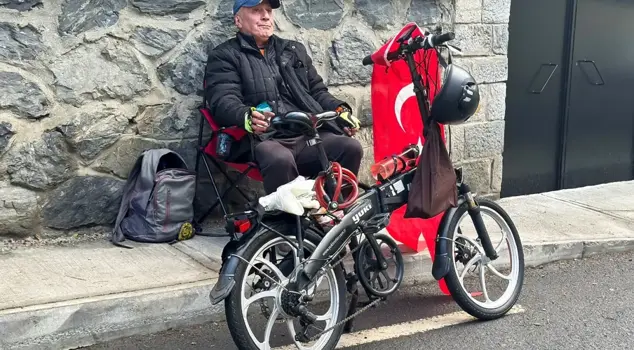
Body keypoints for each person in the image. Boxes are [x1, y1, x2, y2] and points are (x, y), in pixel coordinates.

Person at [203, 0, 364, 196]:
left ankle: (336, 213)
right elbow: (223, 100)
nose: (266, 16)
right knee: (279, 159)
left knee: (350, 147)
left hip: (308, 135)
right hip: (264, 139)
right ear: (238, 20)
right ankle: (289, 223)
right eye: (256, 11)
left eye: (269, 11)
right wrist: (247, 116)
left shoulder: (293, 50)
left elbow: (317, 91)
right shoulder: (224, 56)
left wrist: (340, 111)